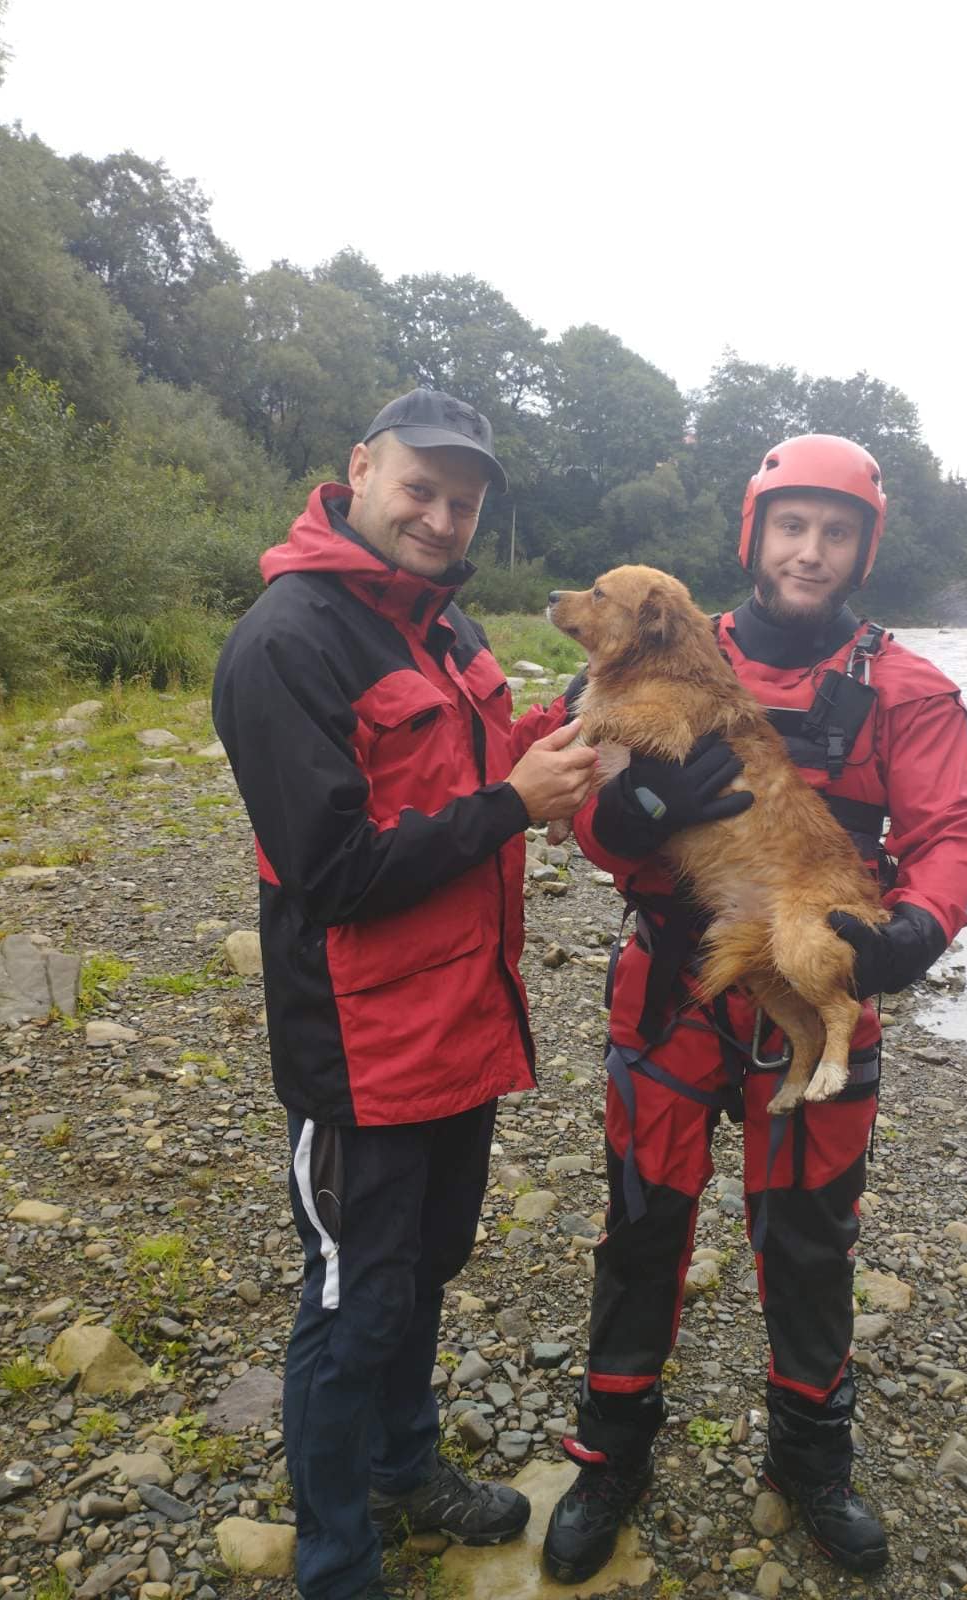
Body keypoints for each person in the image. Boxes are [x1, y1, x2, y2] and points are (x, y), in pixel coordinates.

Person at [542, 435, 967, 1583]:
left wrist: (918, 929)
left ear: (859, 549)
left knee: (808, 1237)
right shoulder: (643, 651)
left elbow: (947, 833)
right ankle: (610, 1456)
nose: (810, 549)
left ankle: (810, 1460)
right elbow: (565, 796)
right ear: (753, 536)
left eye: (834, 532)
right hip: (673, 982)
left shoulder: (904, 686)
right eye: (789, 526)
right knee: (642, 1226)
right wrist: (633, 813)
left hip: (816, 964)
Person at [212, 388, 597, 1600]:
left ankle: (404, 1465)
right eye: (419, 490)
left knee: (422, 1274)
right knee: (348, 1303)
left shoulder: (452, 629)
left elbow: (487, 765)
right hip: (360, 1053)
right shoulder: (286, 641)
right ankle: (333, 1562)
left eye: (462, 500)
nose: (439, 517)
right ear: (359, 470)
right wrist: (511, 805)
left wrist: (580, 721)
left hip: (462, 1033)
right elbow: (331, 874)